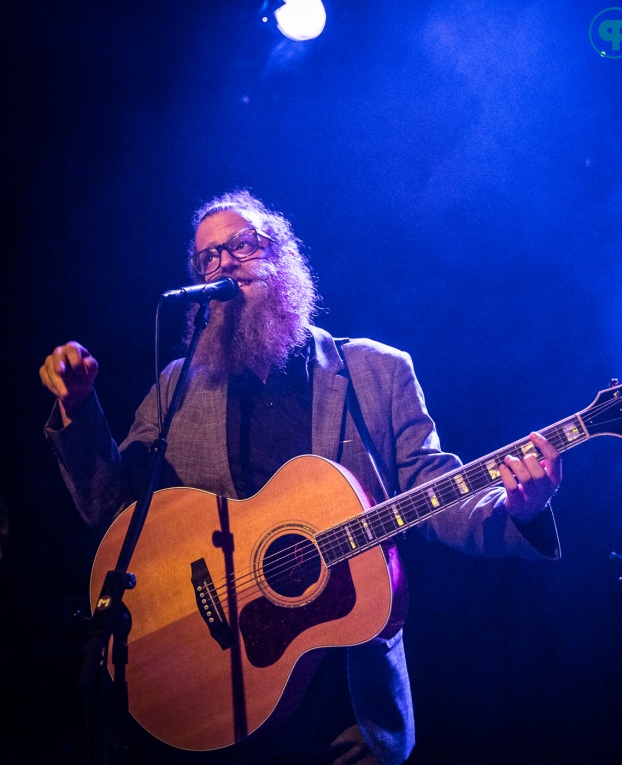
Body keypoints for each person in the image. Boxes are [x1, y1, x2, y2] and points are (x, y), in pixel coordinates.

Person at [40, 190, 562, 765]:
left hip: (344, 704)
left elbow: (435, 491)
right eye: (207, 258)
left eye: (241, 244)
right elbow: (114, 510)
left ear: (282, 255)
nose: (224, 264)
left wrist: (521, 507)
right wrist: (78, 410)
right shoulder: (179, 385)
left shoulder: (377, 372)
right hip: (217, 694)